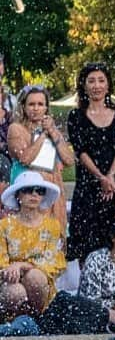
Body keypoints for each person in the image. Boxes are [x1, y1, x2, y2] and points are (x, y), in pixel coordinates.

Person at [67, 63, 115, 264]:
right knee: (86, 243)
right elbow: (81, 151)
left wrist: (110, 176)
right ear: (83, 85)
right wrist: (100, 177)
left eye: (101, 80)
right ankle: (89, 291)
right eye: (91, 81)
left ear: (108, 84)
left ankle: (114, 291)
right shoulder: (76, 116)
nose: (97, 85)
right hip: (88, 187)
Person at [7, 84, 74, 234]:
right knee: (31, 236)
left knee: (54, 237)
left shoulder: (52, 129)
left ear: (46, 107)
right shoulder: (16, 128)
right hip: (30, 189)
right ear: (23, 106)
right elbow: (25, 158)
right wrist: (43, 134)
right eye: (31, 104)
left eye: (40, 104)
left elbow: (69, 160)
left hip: (53, 188)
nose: (36, 108)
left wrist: (53, 132)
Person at [0, 172, 65, 321]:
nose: (34, 194)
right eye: (28, 190)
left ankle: (38, 320)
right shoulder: (4, 226)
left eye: (39, 191)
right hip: (8, 280)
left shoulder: (52, 226)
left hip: (39, 280)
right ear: (18, 195)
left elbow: (55, 262)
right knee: (15, 292)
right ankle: (11, 323)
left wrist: (22, 266)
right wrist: (12, 271)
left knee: (35, 277)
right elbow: (1, 261)